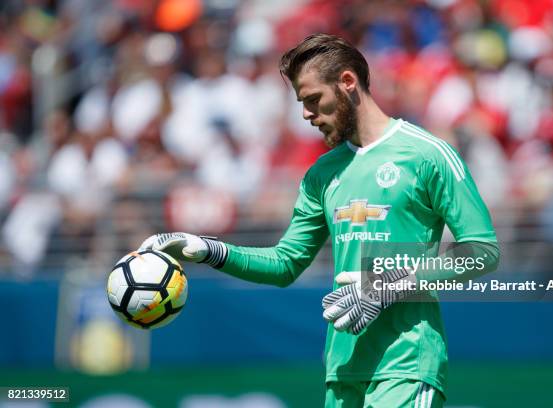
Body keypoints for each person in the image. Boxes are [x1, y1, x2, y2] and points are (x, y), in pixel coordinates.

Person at [139, 34, 499, 408]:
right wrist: (208, 250)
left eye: (313, 100)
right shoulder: (321, 174)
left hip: (405, 365)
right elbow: (285, 264)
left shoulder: (427, 154)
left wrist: (386, 286)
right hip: (341, 371)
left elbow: (482, 251)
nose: (307, 114)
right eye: (302, 103)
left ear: (347, 83)